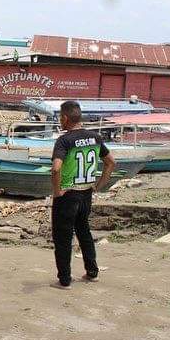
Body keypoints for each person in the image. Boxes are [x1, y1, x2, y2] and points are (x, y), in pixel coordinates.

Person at [50, 100, 116, 290]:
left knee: (63, 238)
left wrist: (57, 191)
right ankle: (92, 271)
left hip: (68, 195)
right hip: (86, 193)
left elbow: (56, 169)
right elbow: (111, 162)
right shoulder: (95, 137)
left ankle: (64, 279)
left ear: (64, 118)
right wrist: (99, 185)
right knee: (84, 232)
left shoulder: (64, 140)